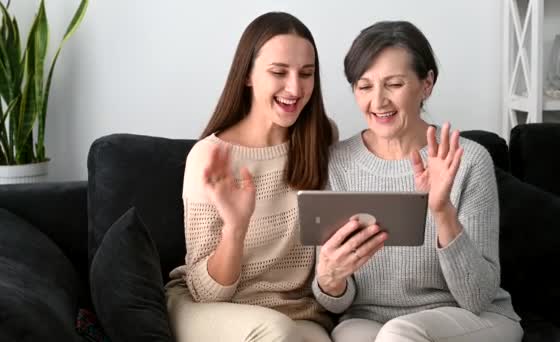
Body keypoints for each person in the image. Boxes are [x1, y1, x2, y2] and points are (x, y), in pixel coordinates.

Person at [312, 20, 524, 342]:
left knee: (400, 333)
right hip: (369, 319)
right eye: (364, 86)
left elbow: (476, 297)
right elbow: (336, 301)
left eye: (394, 84)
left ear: (426, 84)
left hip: (468, 318)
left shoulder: (468, 159)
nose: (378, 101)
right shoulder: (335, 164)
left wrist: (442, 211)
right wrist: (329, 277)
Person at [164, 11, 336, 342]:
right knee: (276, 332)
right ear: (247, 76)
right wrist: (236, 227)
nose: (295, 87)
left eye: (306, 73)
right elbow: (207, 292)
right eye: (278, 72)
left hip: (294, 312)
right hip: (207, 307)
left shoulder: (322, 142)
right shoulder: (209, 156)